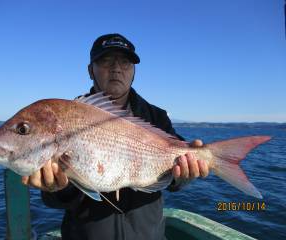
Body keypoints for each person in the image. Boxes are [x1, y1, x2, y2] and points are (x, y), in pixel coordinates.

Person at [22, 33, 209, 240]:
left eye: (126, 62)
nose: (116, 68)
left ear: (134, 71)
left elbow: (173, 180)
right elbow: (56, 201)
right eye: (105, 60)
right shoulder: (68, 117)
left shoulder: (156, 117)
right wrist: (59, 188)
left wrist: (182, 177)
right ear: (90, 71)